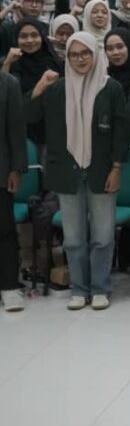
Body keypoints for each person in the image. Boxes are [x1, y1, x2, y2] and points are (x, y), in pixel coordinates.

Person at [26, 32, 128, 310]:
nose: (80, 59)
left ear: (95, 54)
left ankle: (100, 288)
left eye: (85, 53)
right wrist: (40, 86)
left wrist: (117, 167)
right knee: (73, 238)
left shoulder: (110, 88)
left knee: (103, 235)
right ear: (67, 58)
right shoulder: (57, 89)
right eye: (74, 54)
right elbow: (29, 115)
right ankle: (79, 289)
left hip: (102, 170)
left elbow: (121, 132)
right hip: (66, 170)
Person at [0, 67, 27, 312]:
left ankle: (9, 286)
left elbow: (17, 131)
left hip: (2, 169)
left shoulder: (8, 83)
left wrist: (16, 169)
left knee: (5, 230)